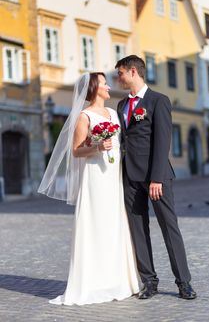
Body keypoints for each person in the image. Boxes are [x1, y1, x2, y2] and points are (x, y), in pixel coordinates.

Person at [38, 72, 139, 306]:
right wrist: (96, 146)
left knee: (114, 224)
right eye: (104, 83)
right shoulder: (84, 116)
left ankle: (119, 280)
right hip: (94, 177)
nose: (108, 86)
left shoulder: (114, 113)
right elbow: (76, 150)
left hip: (113, 177)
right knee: (95, 224)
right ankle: (92, 283)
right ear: (94, 89)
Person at [116, 55, 197, 300]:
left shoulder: (158, 101)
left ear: (132, 72)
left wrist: (157, 179)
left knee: (169, 228)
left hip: (156, 177)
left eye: (119, 73)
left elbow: (163, 142)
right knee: (138, 229)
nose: (117, 78)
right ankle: (149, 281)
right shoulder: (121, 106)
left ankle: (184, 283)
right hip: (130, 177)